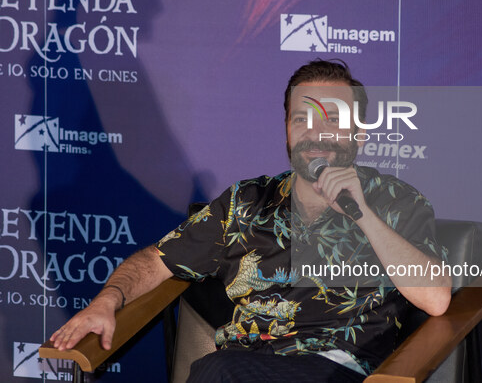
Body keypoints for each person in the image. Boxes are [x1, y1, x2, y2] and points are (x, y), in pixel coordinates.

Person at [50, 60, 451, 382]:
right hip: (244, 362)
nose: (315, 134)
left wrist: (361, 214)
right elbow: (155, 260)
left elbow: (436, 298)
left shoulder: (395, 201)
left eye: (332, 120)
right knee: (220, 369)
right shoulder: (246, 202)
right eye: (301, 120)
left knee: (218, 370)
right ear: (287, 131)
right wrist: (106, 301)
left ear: (359, 135)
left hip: (336, 368)